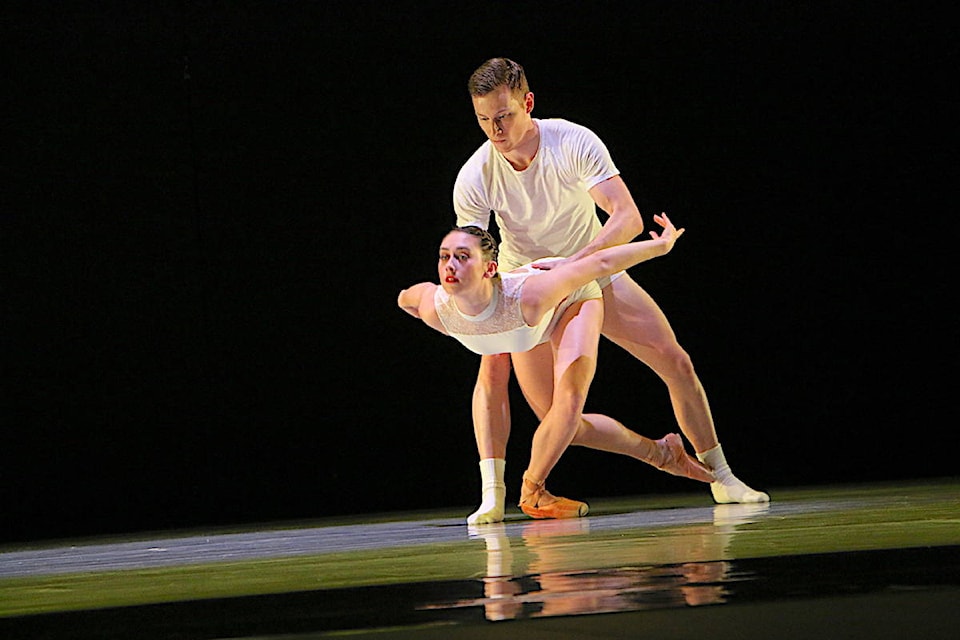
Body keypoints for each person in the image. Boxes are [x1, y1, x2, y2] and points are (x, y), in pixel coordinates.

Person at [454, 57, 768, 525]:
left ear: (528, 103)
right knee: (555, 419)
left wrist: (577, 264)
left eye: (503, 116)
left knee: (676, 361)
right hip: (530, 289)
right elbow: (471, 251)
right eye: (484, 120)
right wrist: (477, 297)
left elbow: (627, 217)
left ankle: (722, 475)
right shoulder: (475, 175)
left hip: (592, 272)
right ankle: (495, 493)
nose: (495, 130)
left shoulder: (572, 141)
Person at [398, 214, 715, 519]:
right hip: (527, 330)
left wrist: (661, 246)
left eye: (463, 257)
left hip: (572, 301)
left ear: (489, 268)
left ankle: (532, 489)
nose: (450, 266)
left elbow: (599, 265)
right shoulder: (435, 309)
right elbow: (405, 299)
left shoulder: (529, 297)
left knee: (569, 403)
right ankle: (661, 453)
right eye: (444, 257)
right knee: (563, 427)